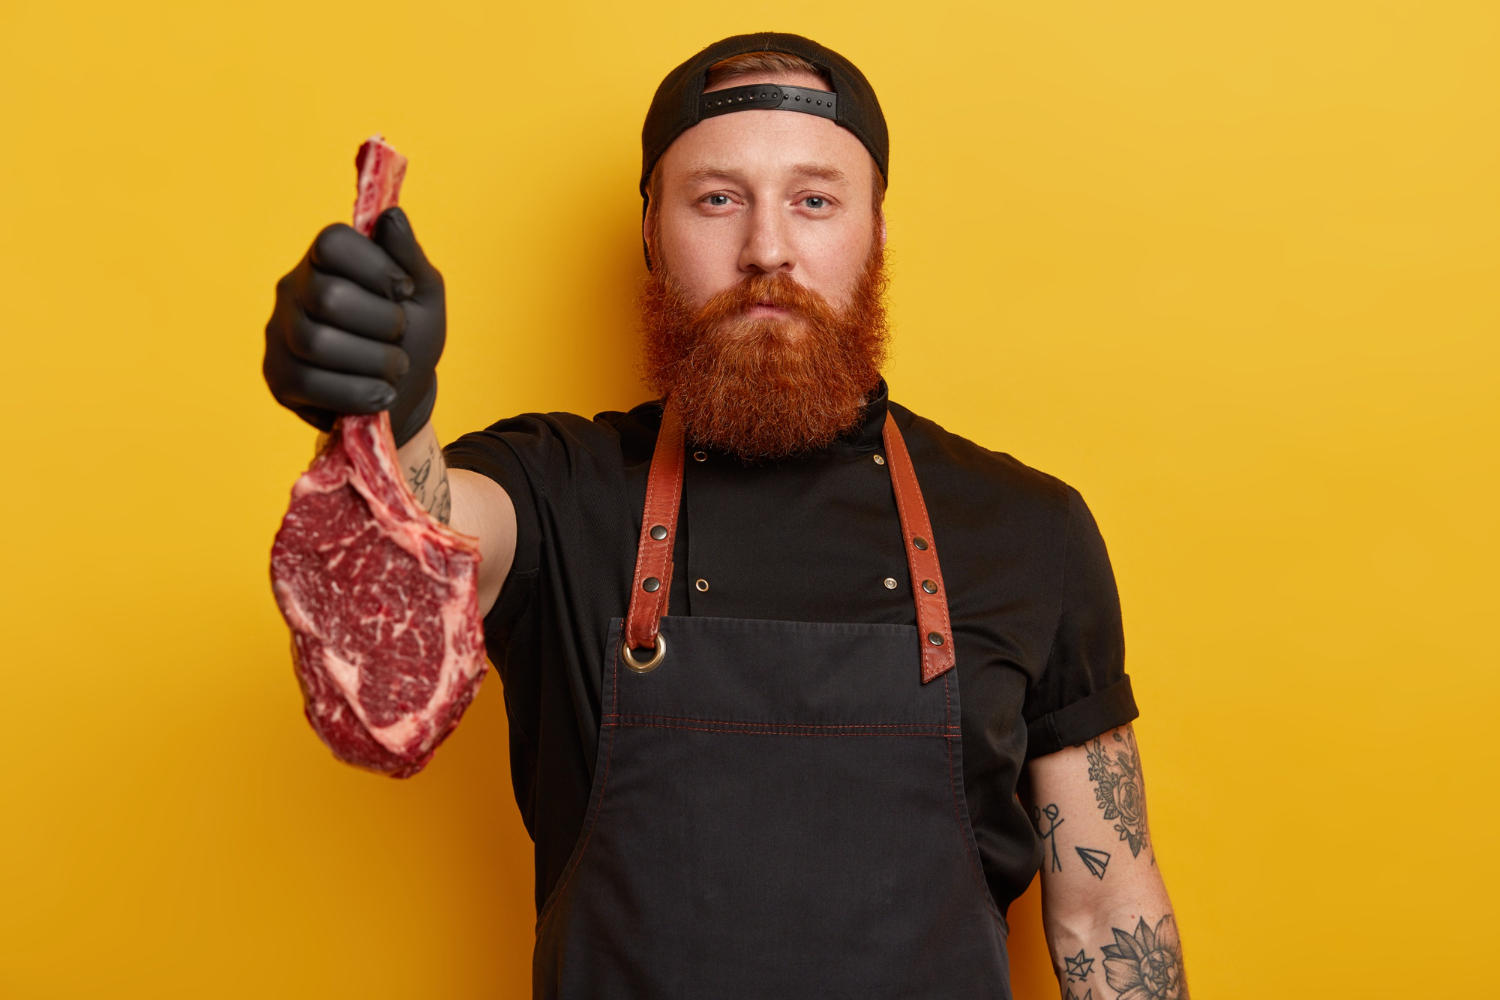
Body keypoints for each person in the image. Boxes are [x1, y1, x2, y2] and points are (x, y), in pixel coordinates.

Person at [263, 31, 1189, 1000]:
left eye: (814, 199)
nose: (768, 250)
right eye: (718, 198)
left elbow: (1105, 908)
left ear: (875, 228)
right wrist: (389, 415)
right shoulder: (561, 486)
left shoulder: (1026, 530)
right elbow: (432, 539)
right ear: (655, 233)